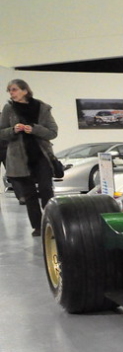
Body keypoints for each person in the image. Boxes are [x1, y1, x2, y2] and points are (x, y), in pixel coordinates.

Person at [0, 79, 59, 236]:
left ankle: (51, 222)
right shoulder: (8, 109)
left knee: (46, 190)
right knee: (30, 194)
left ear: (25, 91)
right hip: (19, 158)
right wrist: (13, 129)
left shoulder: (42, 108)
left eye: (14, 89)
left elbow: (52, 132)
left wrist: (34, 129)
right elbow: (1, 132)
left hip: (41, 155)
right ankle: (38, 227)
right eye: (10, 90)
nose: (11, 93)